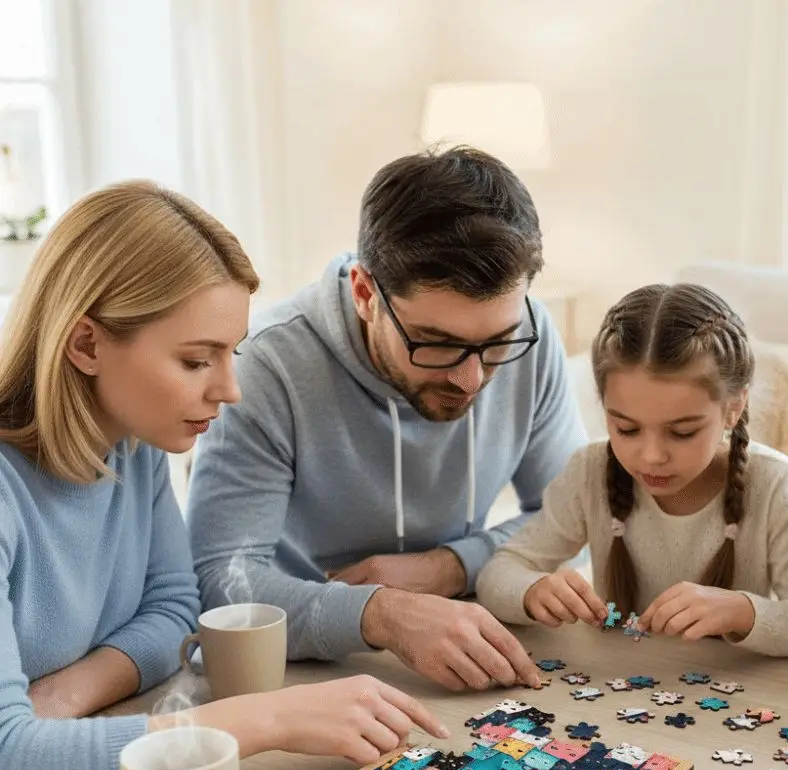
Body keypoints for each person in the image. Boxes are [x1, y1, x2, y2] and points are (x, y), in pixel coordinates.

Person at [0, 180, 447, 770]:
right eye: (195, 360)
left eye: (229, 354)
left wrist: (67, 694)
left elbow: (174, 612)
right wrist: (265, 718)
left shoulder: (132, 444)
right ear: (87, 344)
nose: (230, 390)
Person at [186, 147, 587, 691]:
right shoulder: (263, 366)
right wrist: (379, 612)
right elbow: (220, 584)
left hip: (467, 648)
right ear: (364, 292)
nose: (472, 379)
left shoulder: (531, 338)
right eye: (438, 344)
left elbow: (576, 518)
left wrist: (447, 568)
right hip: (302, 672)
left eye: (496, 343)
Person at [476, 283, 788, 658]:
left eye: (682, 432)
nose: (651, 457)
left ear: (734, 407)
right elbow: (498, 573)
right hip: (614, 686)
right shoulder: (590, 471)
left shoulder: (776, 483)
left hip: (732, 695)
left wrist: (742, 612)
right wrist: (532, 590)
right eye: (627, 429)